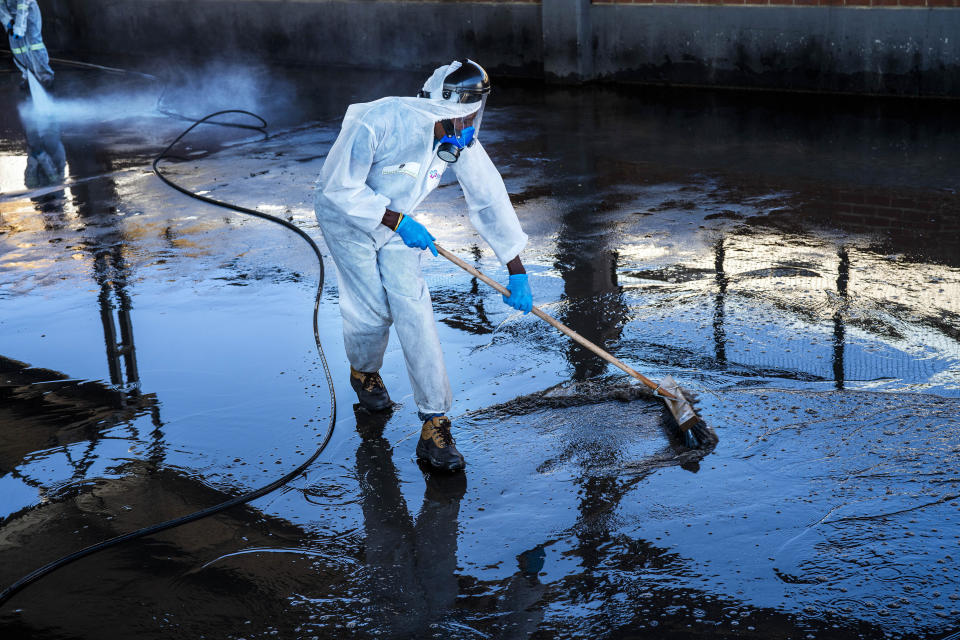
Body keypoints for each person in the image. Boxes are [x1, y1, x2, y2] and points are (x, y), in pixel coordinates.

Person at [314, 59, 533, 472]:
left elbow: (489, 197)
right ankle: (364, 373)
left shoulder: (459, 137)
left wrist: (515, 268)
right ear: (438, 105)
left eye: (473, 113)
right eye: (459, 114)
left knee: (415, 311)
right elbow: (337, 187)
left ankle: (435, 423)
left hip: (398, 224)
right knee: (372, 313)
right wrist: (398, 220)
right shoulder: (379, 123)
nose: (465, 124)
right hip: (348, 219)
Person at [2, 0, 55, 88]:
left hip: (28, 11)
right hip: (11, 14)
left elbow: (23, 4)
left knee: (34, 45)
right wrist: (6, 19)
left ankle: (45, 75)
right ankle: (28, 74)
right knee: (17, 49)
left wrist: (19, 27)